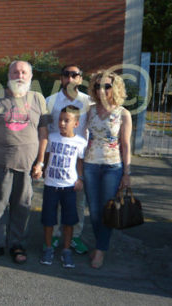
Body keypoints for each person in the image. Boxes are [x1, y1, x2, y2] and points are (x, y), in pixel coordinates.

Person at [0, 60, 49, 264]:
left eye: (24, 72)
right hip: (0, 162)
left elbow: (44, 133)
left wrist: (40, 162)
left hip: (27, 165)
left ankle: (17, 245)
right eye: (15, 72)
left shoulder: (38, 99)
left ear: (30, 76)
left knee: (22, 206)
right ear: (8, 75)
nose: (19, 75)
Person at [84, 70, 132, 269]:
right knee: (94, 212)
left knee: (106, 210)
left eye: (106, 86)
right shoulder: (90, 110)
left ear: (115, 88)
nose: (101, 89)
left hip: (113, 167)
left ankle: (100, 250)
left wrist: (127, 173)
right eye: (97, 86)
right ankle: (100, 245)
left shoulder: (123, 113)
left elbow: (126, 145)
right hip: (90, 165)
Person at [45, 65, 92, 254]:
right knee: (54, 202)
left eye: (75, 75)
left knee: (78, 202)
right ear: (61, 78)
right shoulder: (51, 101)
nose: (70, 78)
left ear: (80, 79)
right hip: (56, 158)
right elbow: (45, 130)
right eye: (67, 75)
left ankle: (75, 237)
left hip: (78, 158)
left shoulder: (88, 102)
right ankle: (55, 235)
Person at [36, 106, 87, 268]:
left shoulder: (80, 142)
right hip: (51, 185)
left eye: (67, 120)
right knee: (49, 220)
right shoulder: (52, 138)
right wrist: (42, 168)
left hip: (69, 187)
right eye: (60, 120)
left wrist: (80, 178)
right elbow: (47, 155)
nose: (62, 123)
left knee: (69, 221)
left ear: (76, 124)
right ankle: (48, 248)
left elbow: (80, 161)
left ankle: (66, 250)